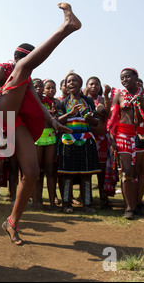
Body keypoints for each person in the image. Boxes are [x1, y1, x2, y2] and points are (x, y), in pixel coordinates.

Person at [0, 3, 80, 245]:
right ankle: (67, 27)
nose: (24, 64)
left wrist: (54, 122)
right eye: (22, 60)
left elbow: (38, 105)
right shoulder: (3, 69)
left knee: (33, 172)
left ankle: (12, 222)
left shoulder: (25, 79)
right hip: (0, 115)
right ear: (14, 58)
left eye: (28, 61)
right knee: (23, 70)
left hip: (19, 121)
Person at [107, 68, 144, 219]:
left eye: (128, 77)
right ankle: (128, 207)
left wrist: (141, 104)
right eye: (122, 78)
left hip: (140, 134)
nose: (125, 80)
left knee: (141, 172)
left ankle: (138, 204)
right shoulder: (118, 94)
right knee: (127, 171)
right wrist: (113, 139)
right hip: (123, 134)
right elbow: (113, 118)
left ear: (136, 77)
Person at [56, 73, 100, 213]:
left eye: (74, 81)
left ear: (80, 84)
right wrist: (70, 114)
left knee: (86, 174)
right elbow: (57, 122)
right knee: (67, 174)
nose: (71, 83)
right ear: (66, 85)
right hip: (68, 142)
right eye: (69, 81)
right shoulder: (62, 103)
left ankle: (87, 204)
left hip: (86, 140)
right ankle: (67, 204)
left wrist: (88, 116)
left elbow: (96, 122)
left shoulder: (88, 101)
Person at [32, 79, 59, 210]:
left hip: (50, 136)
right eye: (35, 86)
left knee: (50, 170)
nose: (38, 89)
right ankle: (37, 201)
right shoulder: (29, 102)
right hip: (36, 137)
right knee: (37, 171)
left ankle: (52, 202)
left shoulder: (50, 102)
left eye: (40, 87)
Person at [85, 76, 110, 207]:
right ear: (87, 86)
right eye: (91, 84)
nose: (94, 86)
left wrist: (106, 96)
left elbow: (108, 113)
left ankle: (103, 198)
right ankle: (87, 198)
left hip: (101, 139)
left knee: (102, 170)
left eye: (96, 84)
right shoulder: (83, 100)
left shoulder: (103, 100)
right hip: (86, 137)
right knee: (87, 171)